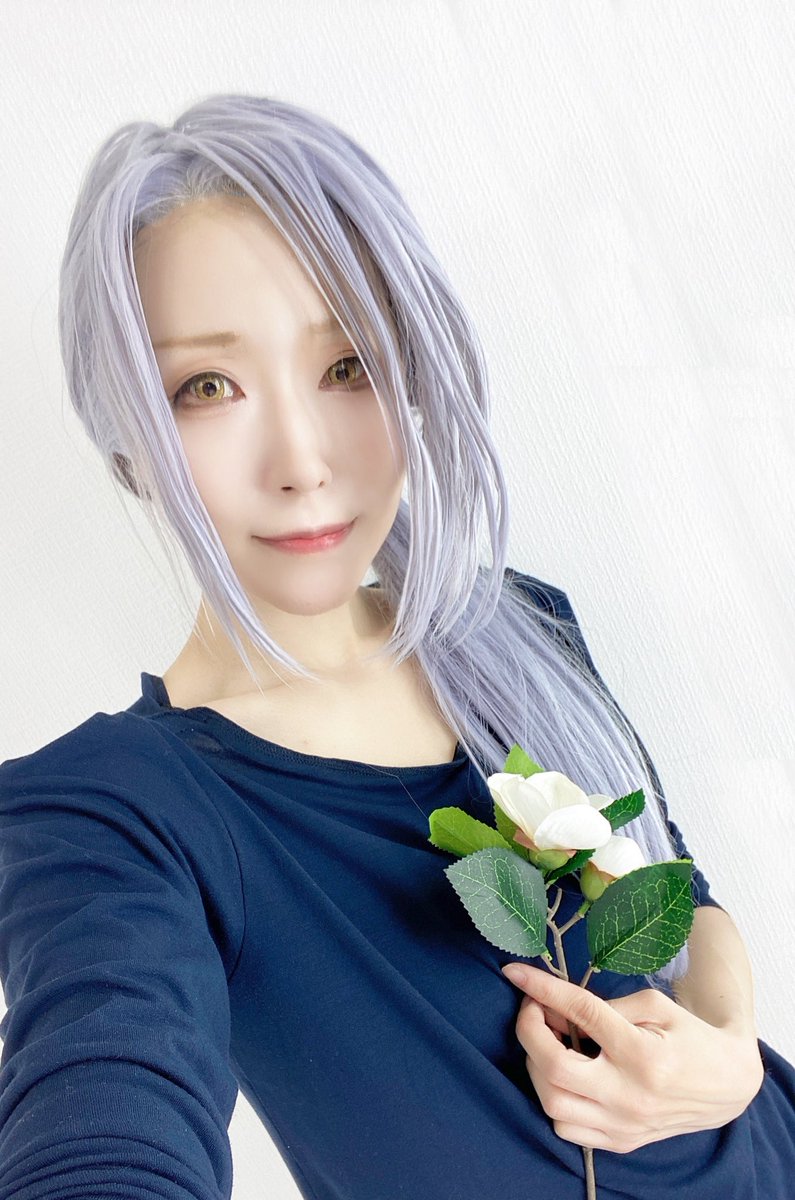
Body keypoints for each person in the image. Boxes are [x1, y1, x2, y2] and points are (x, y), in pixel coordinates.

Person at [0, 93, 792, 1200]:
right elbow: (100, 1106)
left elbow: (680, 884)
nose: (302, 462)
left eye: (348, 366)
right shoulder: (108, 817)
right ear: (128, 436)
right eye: (208, 387)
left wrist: (727, 1049)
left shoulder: (519, 629)